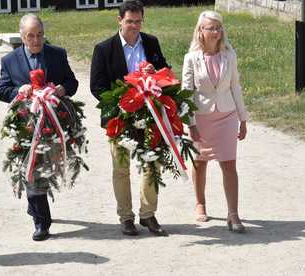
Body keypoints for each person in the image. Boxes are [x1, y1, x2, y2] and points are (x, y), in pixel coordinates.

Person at [0, 13, 78, 241]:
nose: (35, 40)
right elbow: (1, 90)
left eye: (39, 35)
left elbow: (73, 82)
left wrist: (62, 89)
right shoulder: (9, 61)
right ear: (22, 37)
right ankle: (42, 222)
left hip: (54, 122)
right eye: (30, 36)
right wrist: (17, 91)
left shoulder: (57, 55)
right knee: (32, 169)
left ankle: (36, 207)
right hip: (26, 124)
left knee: (48, 168)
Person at [90, 0, 169, 236]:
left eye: (138, 21)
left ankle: (148, 215)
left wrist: (155, 73)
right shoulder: (104, 49)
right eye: (129, 21)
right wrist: (123, 103)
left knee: (152, 164)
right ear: (119, 21)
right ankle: (126, 217)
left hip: (150, 114)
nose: (134, 26)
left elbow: (165, 70)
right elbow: (97, 87)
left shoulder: (151, 42)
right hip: (120, 117)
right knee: (121, 169)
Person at [182, 10, 248, 233]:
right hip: (201, 118)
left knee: (229, 164)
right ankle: (200, 203)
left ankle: (233, 214)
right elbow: (186, 93)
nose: (216, 32)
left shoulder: (230, 55)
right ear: (201, 30)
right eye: (211, 28)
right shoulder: (191, 58)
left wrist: (243, 118)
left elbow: (235, 87)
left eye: (219, 28)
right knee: (200, 163)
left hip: (227, 116)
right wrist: (190, 124)